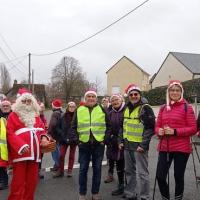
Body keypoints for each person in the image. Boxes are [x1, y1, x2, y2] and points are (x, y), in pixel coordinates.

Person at [155, 80, 197, 200]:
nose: (174, 92)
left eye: (177, 90)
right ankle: (165, 197)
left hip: (181, 148)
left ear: (181, 92)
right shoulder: (163, 108)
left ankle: (178, 198)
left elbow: (193, 128)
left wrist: (175, 131)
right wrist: (159, 131)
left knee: (178, 176)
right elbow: (157, 126)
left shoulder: (187, 107)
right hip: (165, 146)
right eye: (172, 90)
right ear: (168, 92)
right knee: (160, 176)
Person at [6, 88, 49, 200]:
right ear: (19, 102)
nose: (26, 103)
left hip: (35, 154)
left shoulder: (36, 116)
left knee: (32, 183)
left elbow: (42, 129)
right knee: (18, 183)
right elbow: (10, 133)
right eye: (24, 101)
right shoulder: (13, 116)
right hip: (20, 154)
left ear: (32, 102)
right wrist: (21, 145)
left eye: (29, 101)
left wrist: (44, 138)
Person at [72, 89, 111, 200]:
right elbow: (73, 127)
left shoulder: (102, 110)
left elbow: (109, 126)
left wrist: (105, 140)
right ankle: (82, 193)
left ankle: (95, 193)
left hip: (99, 144)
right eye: (88, 96)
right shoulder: (79, 110)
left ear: (96, 98)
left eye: (93, 96)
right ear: (85, 98)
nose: (91, 98)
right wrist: (77, 141)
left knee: (97, 169)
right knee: (83, 169)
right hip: (84, 144)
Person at [119, 84, 155, 200]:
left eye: (136, 94)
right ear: (128, 96)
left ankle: (144, 196)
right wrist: (120, 140)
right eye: (131, 94)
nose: (134, 96)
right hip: (127, 145)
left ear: (140, 95)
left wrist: (143, 145)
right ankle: (130, 194)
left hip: (140, 147)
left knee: (142, 173)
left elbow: (150, 128)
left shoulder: (145, 108)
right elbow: (122, 126)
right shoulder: (126, 108)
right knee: (129, 172)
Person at [104, 94, 125, 196]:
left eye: (117, 99)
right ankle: (120, 185)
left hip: (123, 142)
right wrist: (108, 138)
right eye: (113, 100)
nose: (115, 102)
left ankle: (125, 186)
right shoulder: (110, 112)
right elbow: (107, 126)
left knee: (123, 164)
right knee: (114, 161)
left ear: (121, 100)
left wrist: (121, 140)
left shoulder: (125, 111)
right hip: (112, 141)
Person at [53, 101, 77, 178]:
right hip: (64, 139)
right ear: (67, 107)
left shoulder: (77, 117)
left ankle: (69, 171)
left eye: (73, 106)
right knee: (61, 155)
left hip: (73, 139)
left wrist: (76, 137)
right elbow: (57, 127)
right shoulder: (62, 116)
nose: (72, 108)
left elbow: (79, 128)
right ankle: (61, 171)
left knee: (71, 156)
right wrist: (62, 134)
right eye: (70, 106)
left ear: (75, 107)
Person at [48, 98, 63, 172]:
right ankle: (58, 165)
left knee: (55, 152)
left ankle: (57, 165)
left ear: (54, 106)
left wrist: (49, 132)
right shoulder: (61, 113)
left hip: (55, 136)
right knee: (59, 151)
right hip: (60, 136)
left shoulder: (55, 114)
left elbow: (53, 124)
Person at [0, 100, 11, 190]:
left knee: (16, 164)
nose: (5, 107)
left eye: (7, 105)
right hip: (3, 145)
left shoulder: (14, 116)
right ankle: (4, 182)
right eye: (4, 106)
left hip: (13, 143)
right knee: (2, 164)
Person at [38, 102, 48, 179]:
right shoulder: (35, 116)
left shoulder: (43, 117)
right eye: (40, 107)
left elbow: (44, 128)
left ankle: (38, 171)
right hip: (36, 140)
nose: (42, 109)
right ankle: (35, 172)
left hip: (42, 139)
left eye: (43, 107)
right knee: (36, 157)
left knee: (40, 156)